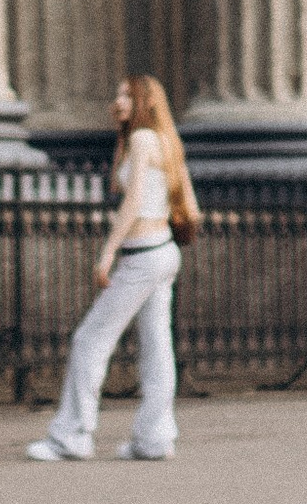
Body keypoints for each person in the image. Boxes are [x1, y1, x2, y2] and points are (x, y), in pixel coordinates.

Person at [27, 76, 197, 464]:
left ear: (144, 101)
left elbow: (132, 200)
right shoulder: (163, 140)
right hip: (164, 251)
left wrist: (107, 253)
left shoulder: (142, 141)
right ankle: (155, 439)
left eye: (126, 95)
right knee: (157, 348)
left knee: (90, 339)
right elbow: (179, 199)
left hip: (142, 255)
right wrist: (121, 134)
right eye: (116, 94)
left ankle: (71, 437)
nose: (116, 101)